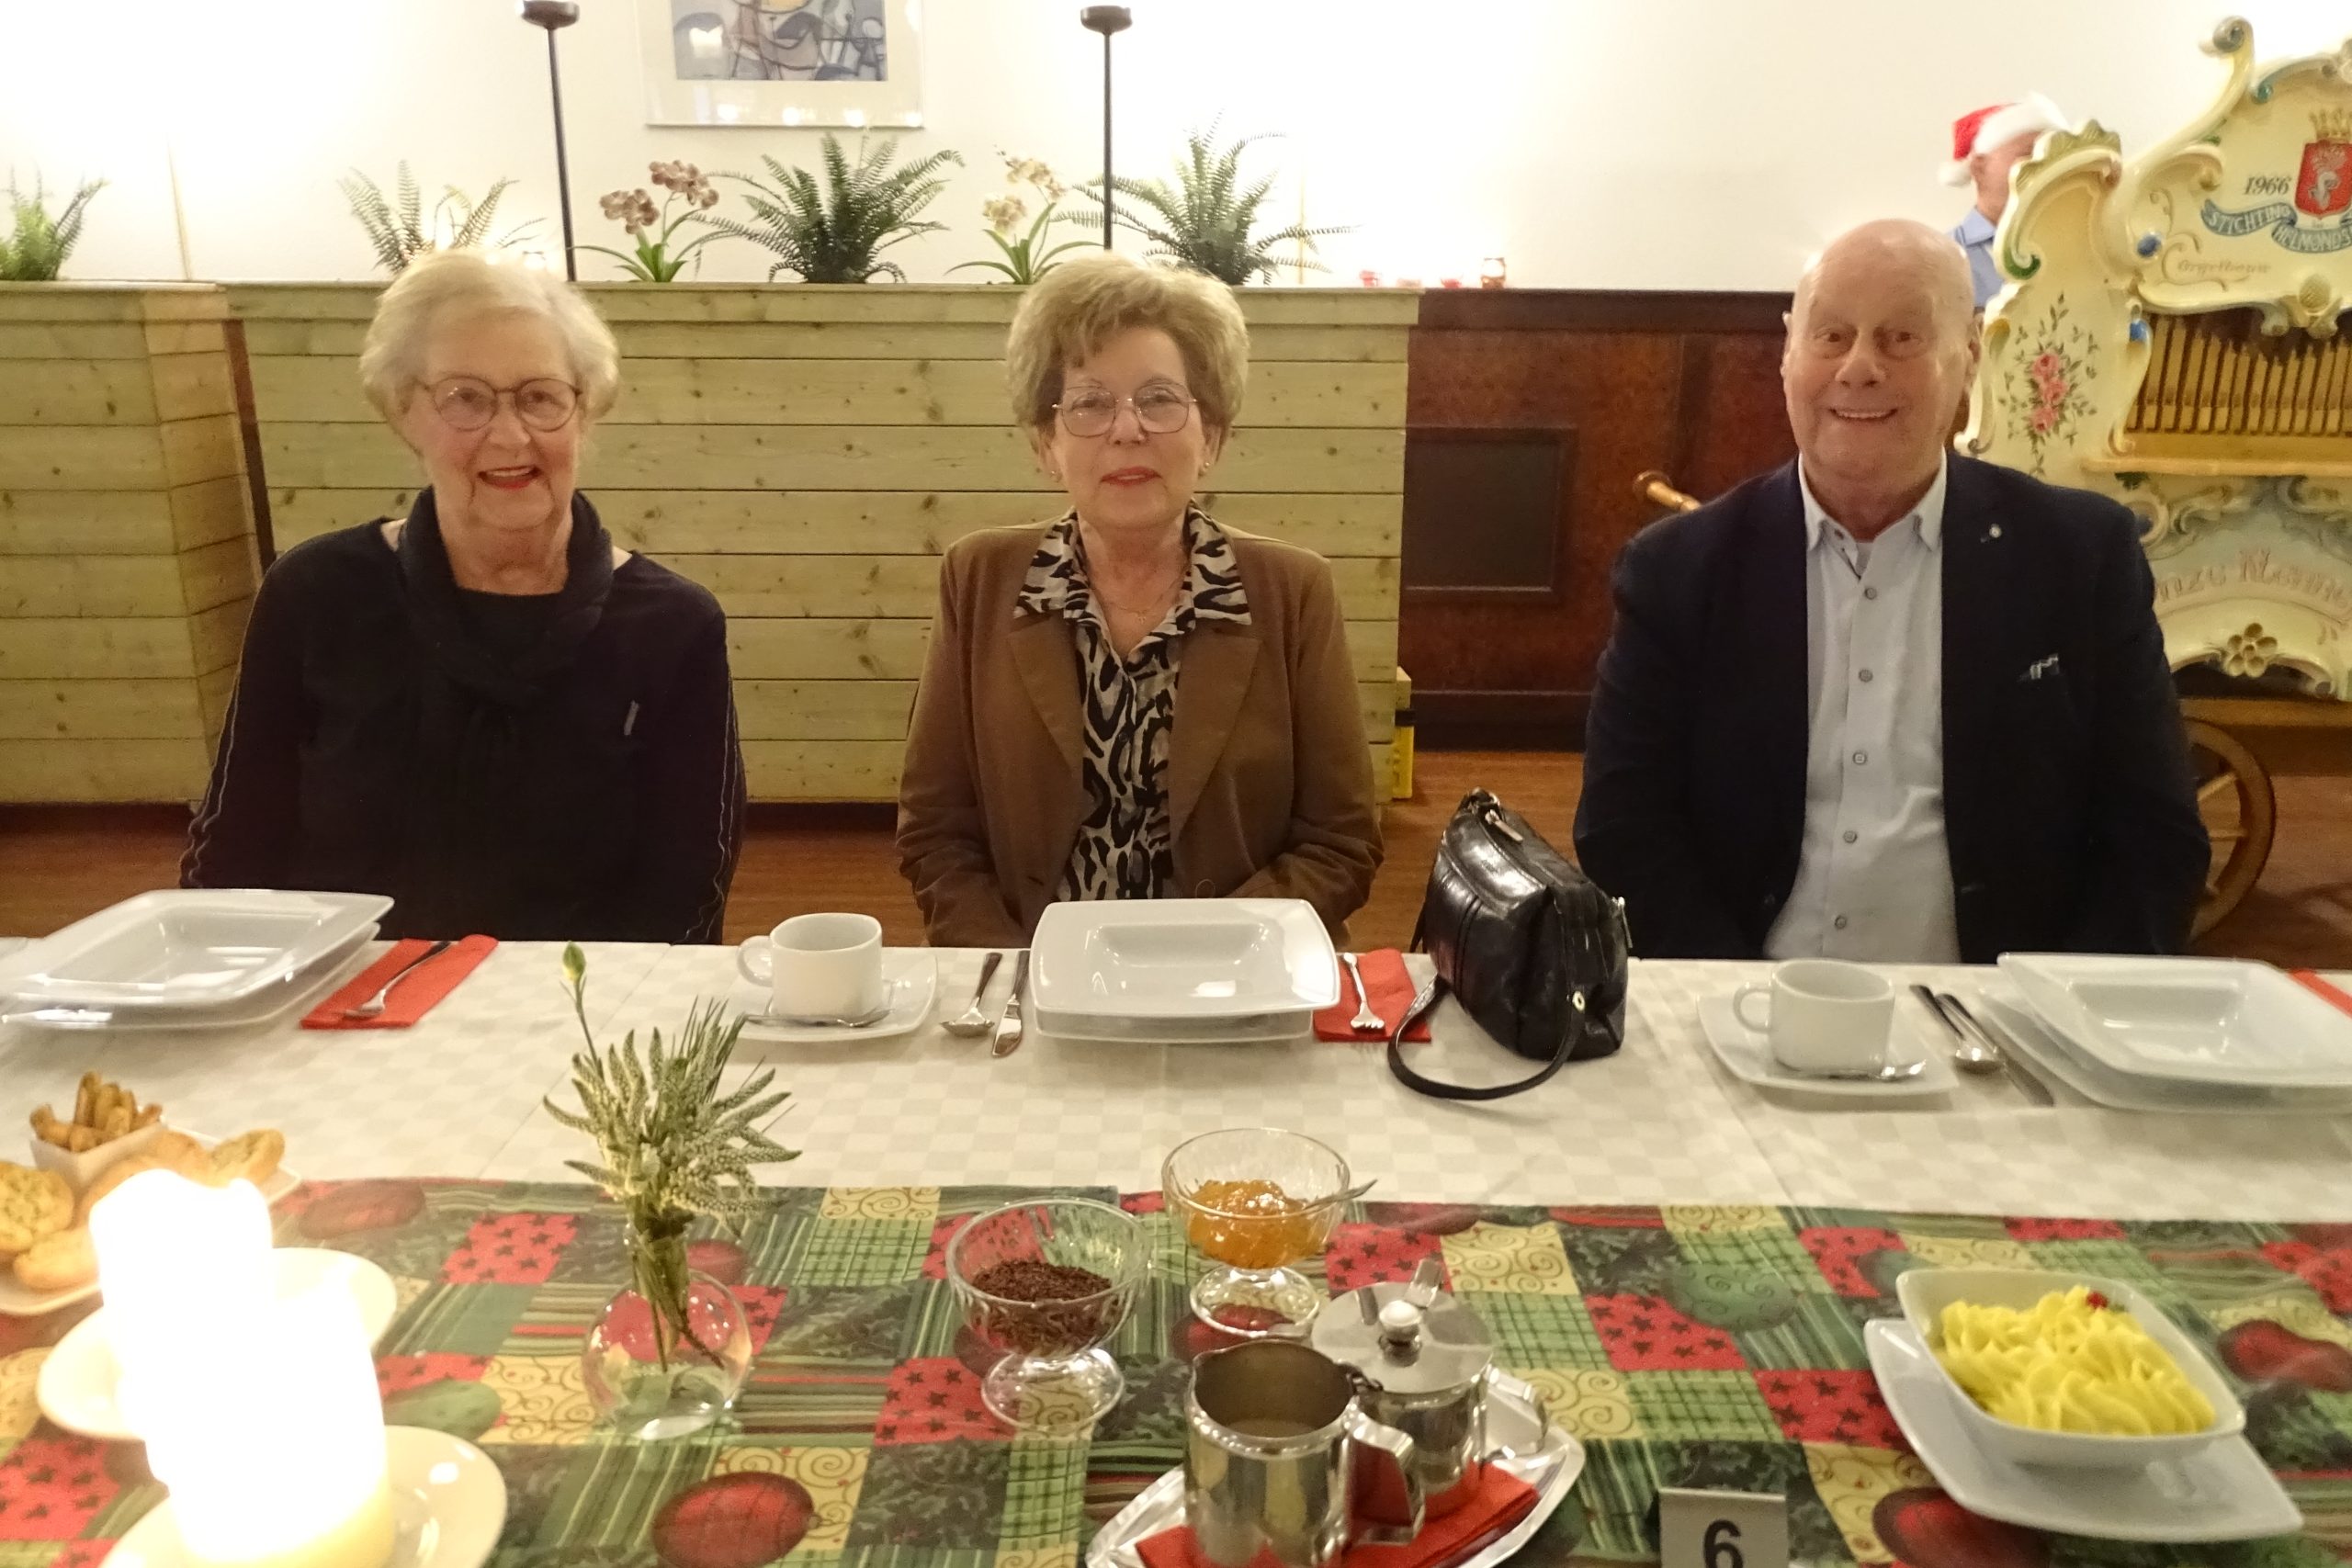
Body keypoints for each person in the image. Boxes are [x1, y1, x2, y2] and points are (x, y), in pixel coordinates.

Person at [1574, 220, 2207, 964]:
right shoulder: (1679, 569)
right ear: (1787, 355)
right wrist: (1735, 996)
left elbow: (2154, 835)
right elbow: (1623, 826)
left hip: (1995, 1009)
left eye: (1901, 337)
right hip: (1742, 998)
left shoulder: (2079, 557)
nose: (1859, 368)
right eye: (1831, 336)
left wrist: (2049, 1009)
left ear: (1969, 357)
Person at [183, 249, 745, 942]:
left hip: (580, 998)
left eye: (540, 396)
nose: (509, 436)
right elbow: (234, 848)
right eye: (465, 398)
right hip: (342, 992)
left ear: (584, 412)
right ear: (405, 412)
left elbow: (687, 892)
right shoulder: (316, 593)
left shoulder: (673, 625)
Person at [897, 251, 1381, 946]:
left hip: (1230, 977)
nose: (1128, 430)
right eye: (1091, 403)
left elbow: (1340, 842)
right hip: (1033, 978)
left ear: (1211, 436)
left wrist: (1202, 962)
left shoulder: (1293, 592)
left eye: (1159, 399)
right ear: (1046, 444)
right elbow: (936, 832)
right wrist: (1021, 969)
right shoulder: (978, 580)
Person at [1942, 96, 2071, 309]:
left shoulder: (2080, 249)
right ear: (1979, 168)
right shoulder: (1943, 259)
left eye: (2055, 158)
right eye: (2030, 156)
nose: (2046, 170)